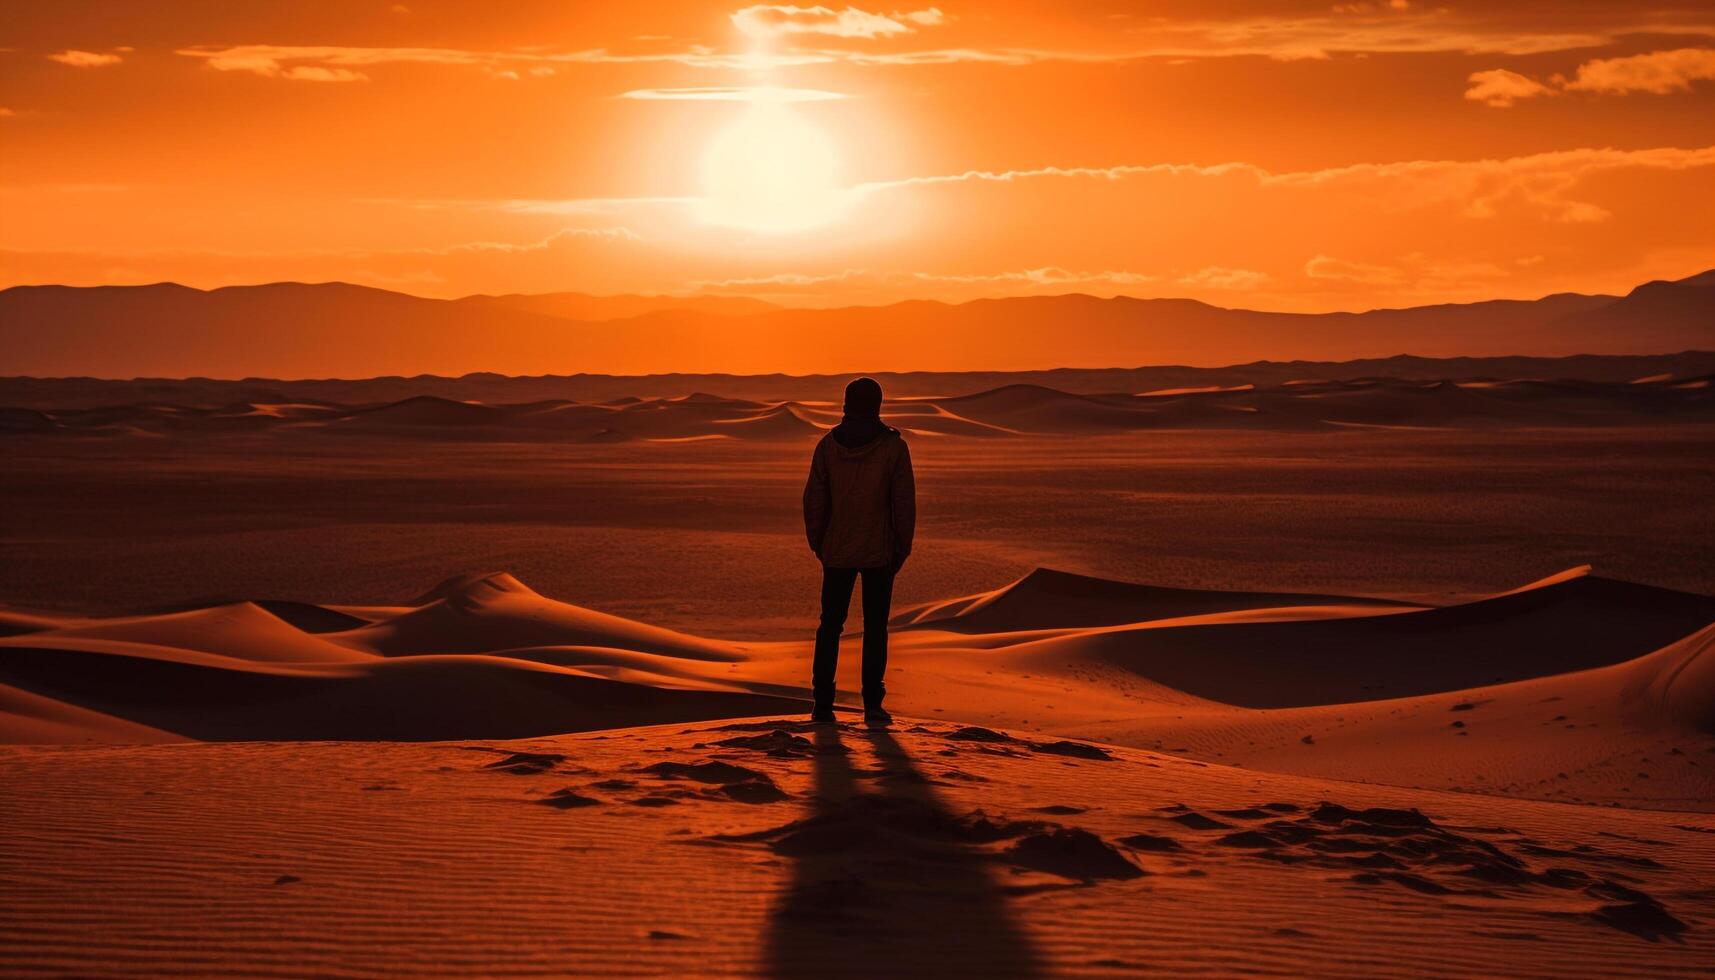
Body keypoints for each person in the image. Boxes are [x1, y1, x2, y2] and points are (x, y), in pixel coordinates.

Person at [802, 376, 915, 725]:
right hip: (879, 553)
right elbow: (904, 505)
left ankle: (822, 704)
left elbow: (814, 502)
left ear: (847, 404)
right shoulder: (893, 447)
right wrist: (900, 548)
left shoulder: (827, 446)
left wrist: (820, 543)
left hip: (837, 551)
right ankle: (872, 706)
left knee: (830, 626)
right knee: (875, 627)